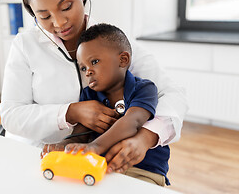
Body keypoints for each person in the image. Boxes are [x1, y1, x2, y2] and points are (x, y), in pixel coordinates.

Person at [0, 0, 187, 178]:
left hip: (96, 158)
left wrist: (147, 136)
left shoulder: (111, 41)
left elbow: (172, 94)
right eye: (44, 16)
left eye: (66, 6)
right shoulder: (24, 45)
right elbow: (11, 115)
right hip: (38, 154)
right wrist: (70, 112)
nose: (59, 23)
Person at [47, 23, 170, 186]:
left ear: (123, 60)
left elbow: (132, 122)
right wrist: (65, 145)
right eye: (83, 68)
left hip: (144, 171)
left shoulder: (144, 88)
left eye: (95, 62)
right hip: (102, 169)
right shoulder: (88, 95)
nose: (88, 72)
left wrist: (96, 146)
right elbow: (81, 133)